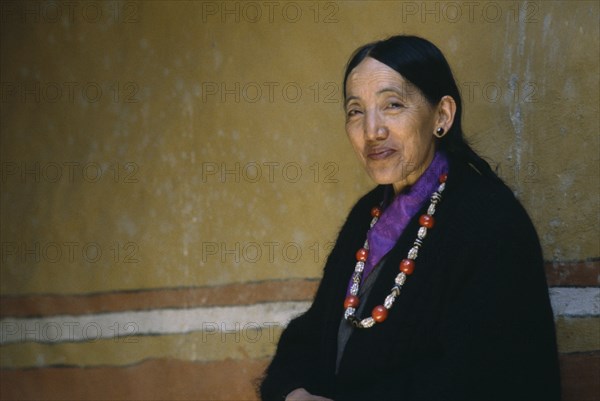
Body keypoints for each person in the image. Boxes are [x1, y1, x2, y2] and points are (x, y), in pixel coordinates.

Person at [259, 35, 560, 401]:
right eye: (356, 111)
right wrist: (294, 393)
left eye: (393, 105)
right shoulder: (366, 216)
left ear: (442, 115)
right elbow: (311, 333)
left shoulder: (489, 220)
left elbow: (478, 377)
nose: (372, 131)